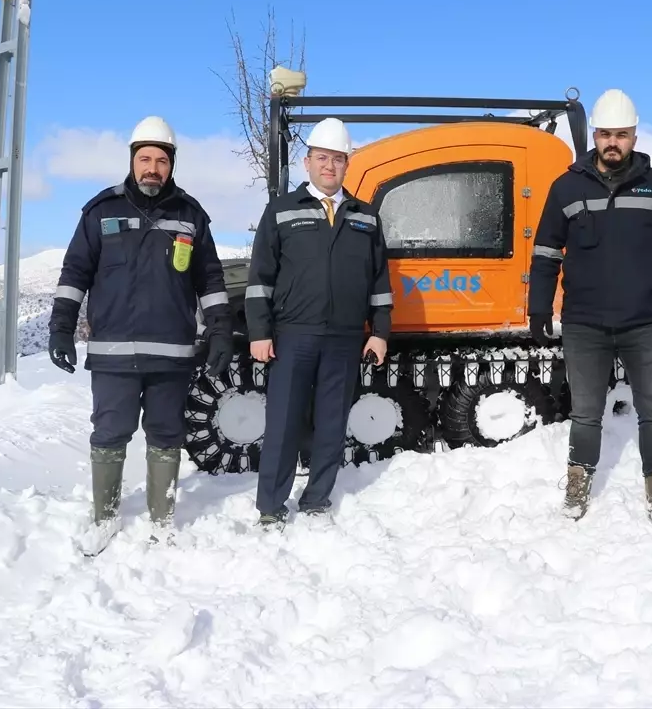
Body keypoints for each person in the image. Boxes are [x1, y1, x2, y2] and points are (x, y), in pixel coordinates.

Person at [47, 115, 234, 555]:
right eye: (145, 158)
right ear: (132, 161)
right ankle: (106, 517)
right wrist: (60, 327)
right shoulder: (101, 212)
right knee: (109, 433)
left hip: (171, 353)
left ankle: (162, 519)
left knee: (167, 435)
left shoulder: (190, 216)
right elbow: (75, 273)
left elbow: (209, 280)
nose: (153, 168)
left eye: (161, 160)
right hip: (113, 353)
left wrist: (221, 332)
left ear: (172, 165)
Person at [528, 88, 652, 523]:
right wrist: (539, 308)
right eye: (605, 134)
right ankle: (579, 478)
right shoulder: (566, 186)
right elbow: (546, 252)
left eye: (621, 134)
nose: (612, 142)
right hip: (585, 323)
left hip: (645, 322)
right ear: (595, 137)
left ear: (634, 136)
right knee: (585, 412)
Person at [244, 117, 393, 528]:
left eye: (338, 160)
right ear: (307, 162)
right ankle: (271, 507)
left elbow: (379, 281)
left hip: (345, 337)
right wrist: (259, 331)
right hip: (293, 335)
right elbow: (261, 279)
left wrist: (379, 332)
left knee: (332, 422)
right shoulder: (281, 211)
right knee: (283, 423)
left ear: (348, 165)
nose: (330, 166)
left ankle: (316, 499)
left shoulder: (366, 217)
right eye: (322, 158)